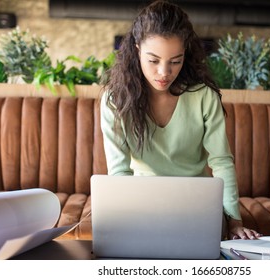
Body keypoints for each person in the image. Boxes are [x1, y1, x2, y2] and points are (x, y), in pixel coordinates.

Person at [100, 0, 261, 240]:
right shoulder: (115, 100)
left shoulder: (203, 97)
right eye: (153, 60)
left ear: (186, 53)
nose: (164, 73)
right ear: (136, 50)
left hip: (198, 205)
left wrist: (234, 221)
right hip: (142, 204)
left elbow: (221, 162)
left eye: (175, 61)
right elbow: (119, 172)